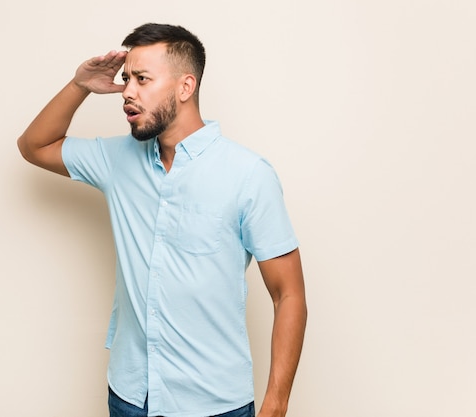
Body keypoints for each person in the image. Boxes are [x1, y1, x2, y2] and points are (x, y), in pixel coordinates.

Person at [17, 23, 307, 417]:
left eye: (142, 79)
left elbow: (289, 295)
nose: (127, 92)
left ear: (185, 87)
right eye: (126, 79)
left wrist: (275, 405)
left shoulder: (248, 175)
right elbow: (34, 146)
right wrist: (79, 85)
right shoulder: (116, 161)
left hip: (214, 404)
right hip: (130, 396)